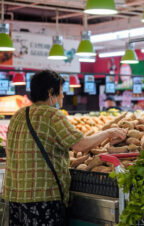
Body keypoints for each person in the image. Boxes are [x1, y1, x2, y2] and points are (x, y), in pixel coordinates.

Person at [3, 70, 126, 226]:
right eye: (61, 92)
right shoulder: (53, 115)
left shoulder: (19, 115)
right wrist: (109, 132)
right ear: (50, 92)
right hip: (42, 198)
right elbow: (81, 145)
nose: (62, 96)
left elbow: (9, 151)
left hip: (15, 197)